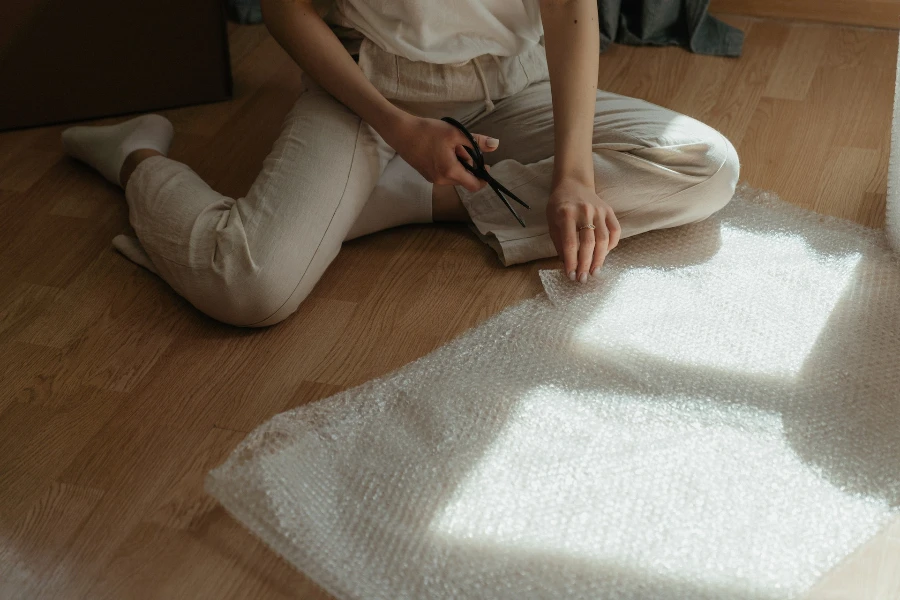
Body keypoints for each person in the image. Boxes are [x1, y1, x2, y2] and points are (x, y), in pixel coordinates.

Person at [61, 0, 739, 328]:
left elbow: (570, 10)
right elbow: (284, 7)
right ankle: (137, 156)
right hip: (369, 91)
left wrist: (574, 175)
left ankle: (413, 198)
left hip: (513, 83)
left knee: (706, 166)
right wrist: (398, 127)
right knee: (249, 286)